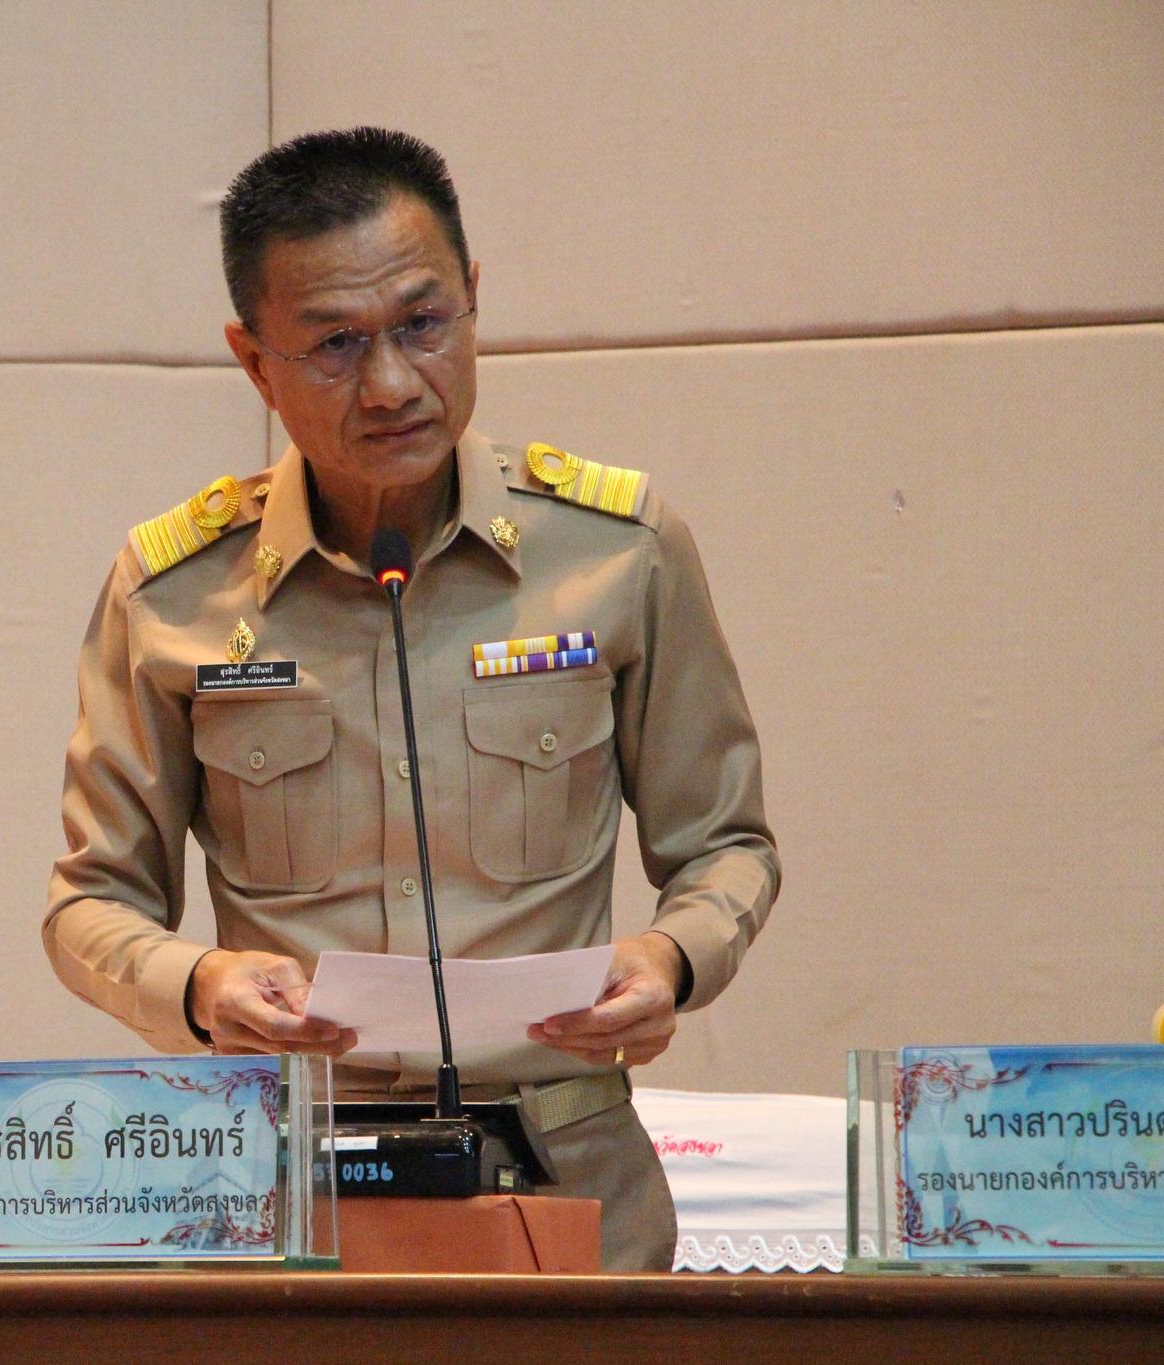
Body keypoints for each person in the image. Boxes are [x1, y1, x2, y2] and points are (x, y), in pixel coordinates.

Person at [42, 127, 779, 1271]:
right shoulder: (173, 593)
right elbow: (89, 903)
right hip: (296, 1187)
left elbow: (725, 845)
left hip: (566, 1176)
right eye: (334, 344)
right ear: (253, 361)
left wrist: (671, 959)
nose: (389, 383)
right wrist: (198, 984)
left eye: (422, 323)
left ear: (471, 300)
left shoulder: (616, 552)